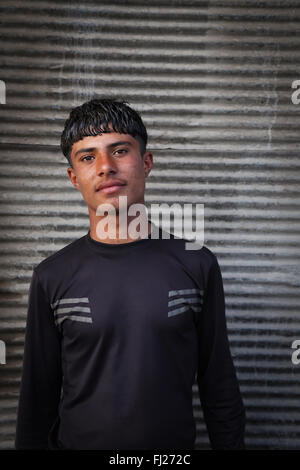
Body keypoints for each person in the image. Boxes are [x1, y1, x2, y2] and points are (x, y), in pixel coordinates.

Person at [15, 98, 245, 450]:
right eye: (88, 157)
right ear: (74, 177)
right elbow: (38, 400)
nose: (106, 167)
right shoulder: (52, 276)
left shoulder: (197, 264)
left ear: (146, 162)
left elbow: (219, 384)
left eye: (120, 150)